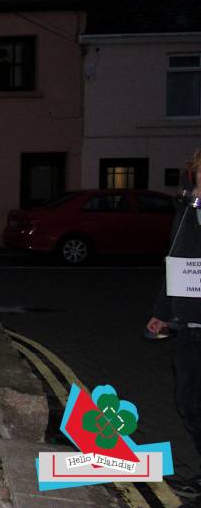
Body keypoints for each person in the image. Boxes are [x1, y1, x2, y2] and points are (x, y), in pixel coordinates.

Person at [145, 149, 201, 506]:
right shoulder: (187, 214)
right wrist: (162, 311)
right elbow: (176, 265)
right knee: (189, 402)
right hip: (189, 325)